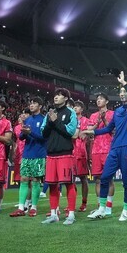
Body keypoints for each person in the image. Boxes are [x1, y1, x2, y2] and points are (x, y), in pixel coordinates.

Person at [86, 72, 127, 220]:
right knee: (105, 177)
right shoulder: (118, 111)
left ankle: (125, 211)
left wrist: (124, 84)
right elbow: (109, 129)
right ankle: (102, 208)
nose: (121, 94)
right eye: (120, 92)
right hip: (114, 148)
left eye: (124, 91)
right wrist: (92, 131)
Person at [40, 89, 79, 225]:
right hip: (51, 154)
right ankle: (53, 214)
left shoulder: (71, 113)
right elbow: (43, 133)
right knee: (52, 185)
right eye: (55, 95)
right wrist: (50, 122)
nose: (56, 97)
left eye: (59, 95)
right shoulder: (50, 114)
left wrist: (56, 122)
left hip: (65, 154)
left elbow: (70, 132)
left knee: (69, 184)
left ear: (66, 98)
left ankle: (71, 215)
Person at [11, 97, 47, 217]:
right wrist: (24, 132)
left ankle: (34, 207)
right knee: (24, 179)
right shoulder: (27, 120)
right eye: (30, 103)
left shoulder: (43, 120)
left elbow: (44, 138)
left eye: (34, 103)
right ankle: (21, 208)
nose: (31, 105)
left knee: (36, 180)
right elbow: (21, 137)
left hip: (38, 154)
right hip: (27, 153)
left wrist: (30, 132)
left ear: (40, 106)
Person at [89, 94, 114, 211]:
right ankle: (100, 206)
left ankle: (108, 207)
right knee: (97, 179)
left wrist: (104, 120)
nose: (98, 101)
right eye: (97, 99)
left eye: (101, 99)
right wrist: (97, 123)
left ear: (107, 101)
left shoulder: (112, 114)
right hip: (96, 150)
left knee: (108, 179)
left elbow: (113, 130)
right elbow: (89, 132)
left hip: (108, 149)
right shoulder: (93, 116)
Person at [72, 101, 93, 211]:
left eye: (77, 107)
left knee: (83, 178)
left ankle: (84, 202)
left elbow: (89, 134)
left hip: (81, 152)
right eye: (74, 106)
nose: (75, 108)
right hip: (70, 152)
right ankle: (72, 203)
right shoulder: (70, 120)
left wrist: (84, 131)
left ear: (82, 109)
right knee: (71, 179)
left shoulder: (85, 120)